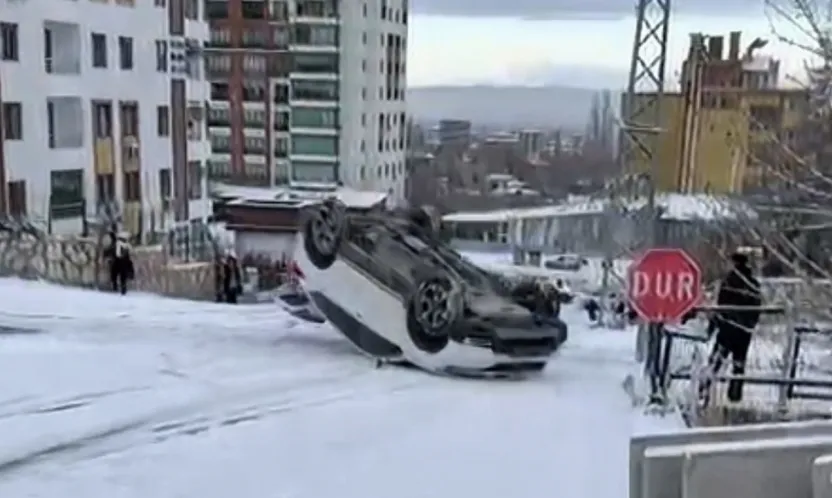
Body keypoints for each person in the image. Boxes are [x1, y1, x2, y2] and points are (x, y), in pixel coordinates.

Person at [699, 251, 762, 404]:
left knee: (716, 359)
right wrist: (749, 325)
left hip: (727, 328)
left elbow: (721, 305)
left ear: (735, 264)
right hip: (744, 331)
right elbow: (757, 308)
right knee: (739, 363)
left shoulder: (728, 282)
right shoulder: (753, 284)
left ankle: (704, 389)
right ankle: (735, 394)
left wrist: (713, 326)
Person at [106, 231, 134, 295]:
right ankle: (123, 286)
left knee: (114, 273)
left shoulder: (117, 243)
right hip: (125, 261)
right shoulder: (127, 244)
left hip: (118, 261)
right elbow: (131, 251)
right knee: (123, 275)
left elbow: (116, 253)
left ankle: (116, 285)